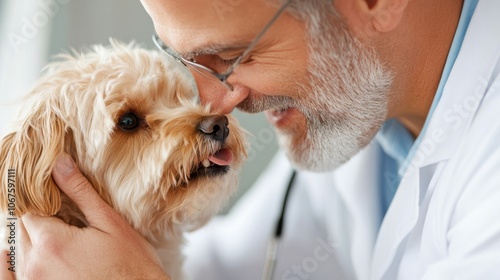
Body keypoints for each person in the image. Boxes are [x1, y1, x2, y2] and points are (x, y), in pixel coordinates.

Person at [11, 0, 500, 279]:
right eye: (190, 62)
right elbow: (224, 263)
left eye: (234, 55)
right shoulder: (355, 105)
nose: (212, 101)